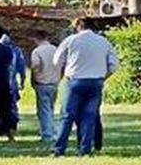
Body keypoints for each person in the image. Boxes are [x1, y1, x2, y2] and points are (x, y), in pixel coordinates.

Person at [52, 18, 118, 157]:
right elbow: (113, 65)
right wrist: (103, 77)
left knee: (67, 116)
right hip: (95, 82)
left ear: (79, 26)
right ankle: (84, 149)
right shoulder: (103, 41)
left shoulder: (71, 40)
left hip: (74, 80)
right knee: (89, 116)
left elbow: (56, 60)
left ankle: (59, 148)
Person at [28, 30, 61, 146]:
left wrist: (33, 79)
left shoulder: (37, 51)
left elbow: (35, 66)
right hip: (54, 83)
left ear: (37, 38)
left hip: (42, 83)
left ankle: (47, 134)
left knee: (44, 110)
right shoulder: (56, 50)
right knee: (50, 109)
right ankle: (52, 131)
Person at [1, 32, 26, 130]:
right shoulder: (16, 50)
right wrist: (22, 80)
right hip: (11, 83)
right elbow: (21, 67)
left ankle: (3, 125)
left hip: (1, 82)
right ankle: (12, 124)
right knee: (12, 104)